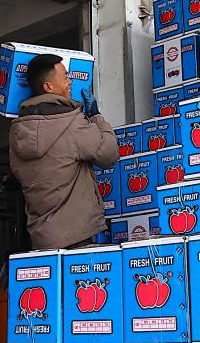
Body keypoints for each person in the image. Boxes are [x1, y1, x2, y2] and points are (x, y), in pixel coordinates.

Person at [8, 53, 119, 250]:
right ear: (48, 87)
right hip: (75, 234)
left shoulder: (18, 131)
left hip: (41, 239)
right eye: (66, 77)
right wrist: (95, 116)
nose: (70, 82)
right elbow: (109, 154)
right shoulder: (70, 123)